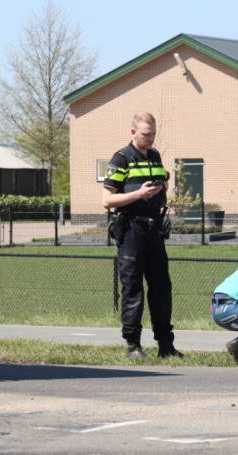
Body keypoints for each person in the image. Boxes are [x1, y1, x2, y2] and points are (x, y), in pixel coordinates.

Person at [102, 112, 182, 360]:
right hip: (131, 230)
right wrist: (139, 195)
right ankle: (133, 345)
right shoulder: (122, 158)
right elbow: (106, 200)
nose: (150, 139)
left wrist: (163, 186)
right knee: (133, 289)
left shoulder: (155, 156)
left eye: (153, 134)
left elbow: (161, 182)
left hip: (154, 229)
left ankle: (165, 345)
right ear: (133, 132)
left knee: (161, 288)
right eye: (145, 134)